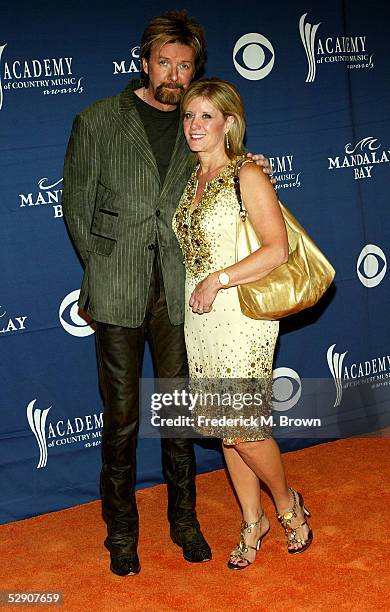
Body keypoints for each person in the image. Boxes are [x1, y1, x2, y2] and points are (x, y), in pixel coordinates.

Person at [62, 11, 273, 577]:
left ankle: (185, 521)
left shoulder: (196, 123)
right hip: (118, 293)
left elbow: (226, 172)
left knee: (180, 415)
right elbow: (77, 210)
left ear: (194, 69)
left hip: (183, 299)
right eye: (164, 62)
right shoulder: (98, 120)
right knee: (123, 417)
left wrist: (252, 163)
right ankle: (122, 531)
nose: (174, 74)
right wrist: (103, 272)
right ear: (144, 61)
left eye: (185, 65)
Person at [173, 78, 313, 570]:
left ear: (228, 122)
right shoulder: (192, 179)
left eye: (206, 116)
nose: (194, 125)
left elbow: (277, 249)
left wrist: (219, 278)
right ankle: (252, 523)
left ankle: (287, 502)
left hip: (239, 313)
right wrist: (204, 286)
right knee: (226, 429)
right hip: (201, 318)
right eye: (189, 115)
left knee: (246, 428)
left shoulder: (246, 174)